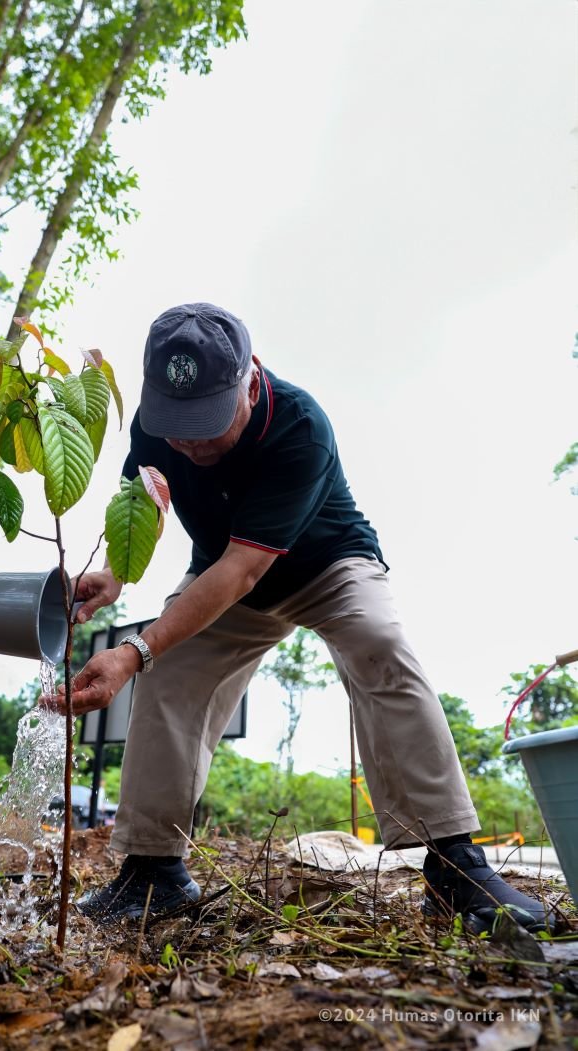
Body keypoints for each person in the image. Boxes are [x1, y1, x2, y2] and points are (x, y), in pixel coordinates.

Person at [63, 302, 556, 935]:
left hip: (326, 566)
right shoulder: (158, 422)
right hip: (224, 575)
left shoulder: (299, 425)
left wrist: (134, 650)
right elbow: (147, 498)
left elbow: (243, 569)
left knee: (379, 642)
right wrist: (116, 572)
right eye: (178, 425)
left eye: (208, 423)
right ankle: (153, 872)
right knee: (170, 670)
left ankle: (454, 866)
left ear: (250, 380)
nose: (190, 441)